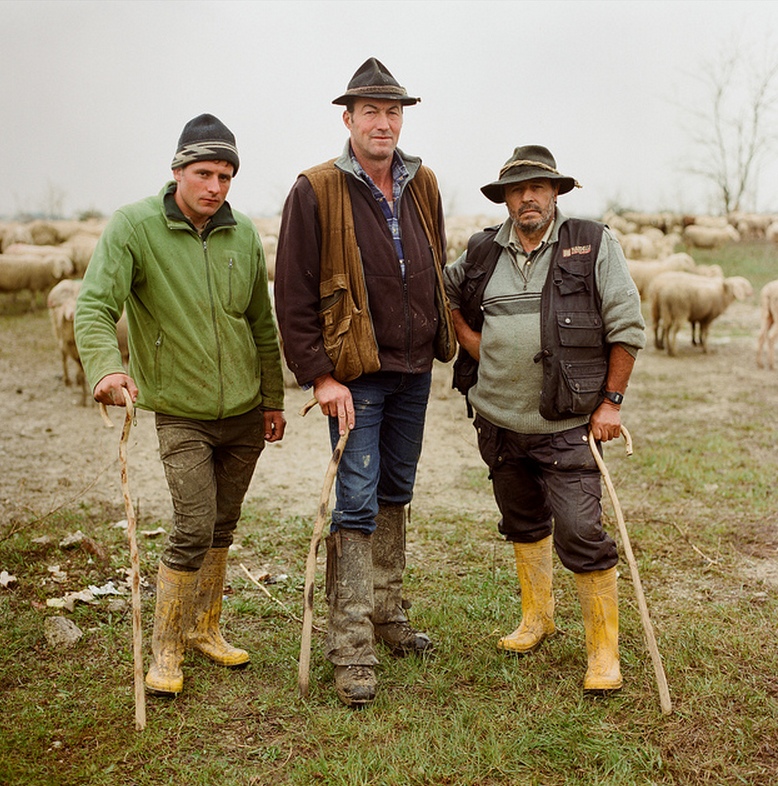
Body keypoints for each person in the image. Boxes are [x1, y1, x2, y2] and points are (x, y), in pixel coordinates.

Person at [75, 113, 286, 696]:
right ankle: (166, 647)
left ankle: (204, 628)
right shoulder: (134, 227)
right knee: (193, 524)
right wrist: (106, 367)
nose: (214, 186)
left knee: (223, 524)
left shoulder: (241, 232)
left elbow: (260, 323)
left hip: (243, 411)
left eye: (225, 175)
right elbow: (93, 306)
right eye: (203, 173)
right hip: (180, 409)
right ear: (176, 171)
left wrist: (272, 397)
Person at [274, 58, 454, 707]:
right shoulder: (315, 188)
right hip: (356, 375)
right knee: (355, 499)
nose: (384, 122)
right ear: (347, 119)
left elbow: (435, 262)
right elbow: (292, 292)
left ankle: (386, 611)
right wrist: (319, 374)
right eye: (371, 111)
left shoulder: (422, 181)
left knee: (395, 490)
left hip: (413, 368)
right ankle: (350, 644)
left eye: (393, 111)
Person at [444, 145, 645, 692]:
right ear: (505, 197)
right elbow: (445, 290)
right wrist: (468, 337)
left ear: (556, 192)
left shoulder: (592, 243)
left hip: (569, 422)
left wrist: (611, 402)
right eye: (516, 189)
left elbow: (627, 326)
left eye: (538, 187)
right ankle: (537, 618)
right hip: (499, 420)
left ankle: (604, 654)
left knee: (581, 531)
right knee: (523, 521)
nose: (527, 197)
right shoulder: (484, 250)